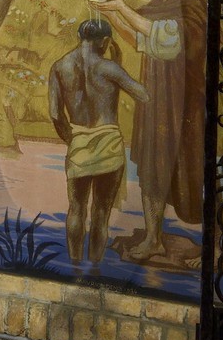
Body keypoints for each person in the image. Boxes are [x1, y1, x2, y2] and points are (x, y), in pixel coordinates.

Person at [93, 0, 207, 260]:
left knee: (192, 163)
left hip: (184, 100)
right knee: (151, 163)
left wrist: (122, 8)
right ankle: (153, 238)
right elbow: (140, 41)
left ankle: (213, 242)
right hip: (156, 97)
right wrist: (113, 15)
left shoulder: (191, 4)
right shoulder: (152, 10)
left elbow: (172, 40)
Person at [48, 19, 148, 271]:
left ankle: (74, 264)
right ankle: (95, 268)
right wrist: (118, 63)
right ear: (104, 41)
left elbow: (56, 114)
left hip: (78, 142)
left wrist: (73, 140)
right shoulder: (109, 68)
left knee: (76, 209)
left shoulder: (59, 66)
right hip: (109, 144)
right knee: (101, 214)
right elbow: (143, 95)